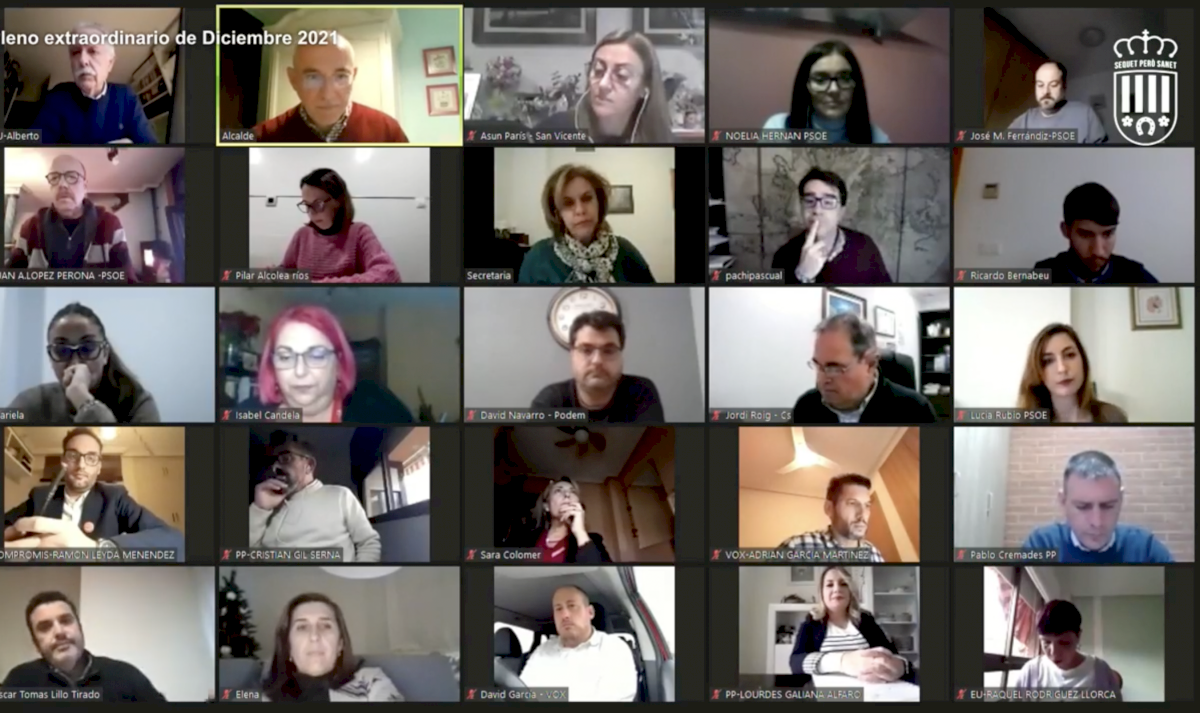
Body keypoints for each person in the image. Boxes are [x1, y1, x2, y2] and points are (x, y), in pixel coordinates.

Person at [3, 428, 184, 557]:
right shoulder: (39, 495)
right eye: (73, 456)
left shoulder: (115, 497)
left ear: (98, 467)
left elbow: (175, 542)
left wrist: (98, 550)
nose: (81, 465)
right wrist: (12, 537)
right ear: (63, 461)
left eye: (91, 458)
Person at [239, 305, 413, 423]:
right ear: (272, 367)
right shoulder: (247, 413)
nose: (300, 371)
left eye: (317, 356)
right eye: (285, 357)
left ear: (338, 363)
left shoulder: (377, 406)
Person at [7, 303, 161, 423]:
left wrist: (82, 399)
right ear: (50, 358)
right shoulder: (32, 401)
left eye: (87, 348)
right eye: (62, 350)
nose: (76, 362)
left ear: (105, 354)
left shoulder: (138, 403)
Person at [1, 591, 166, 700]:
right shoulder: (19, 681)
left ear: (80, 628)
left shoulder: (126, 676)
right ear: (36, 643)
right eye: (45, 627)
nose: (59, 632)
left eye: (66, 621)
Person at [250, 432, 381, 562]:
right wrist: (259, 508)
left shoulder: (341, 495)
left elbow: (368, 543)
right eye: (272, 461)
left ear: (309, 465)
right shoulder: (268, 504)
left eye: (285, 458)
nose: (275, 467)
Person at [1022, 450, 1173, 563]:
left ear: (1121, 500)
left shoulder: (1145, 549)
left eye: (1108, 506)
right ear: (1063, 501)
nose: (1097, 522)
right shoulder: (1042, 544)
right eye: (1082, 507)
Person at [253, 36, 408, 143]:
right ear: (293, 80)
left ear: (353, 76)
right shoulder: (261, 137)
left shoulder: (388, 132)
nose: (328, 95)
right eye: (313, 77)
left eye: (340, 76)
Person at [5, 154, 135, 282]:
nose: (62, 184)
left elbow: (127, 282)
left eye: (72, 177)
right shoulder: (30, 227)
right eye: (54, 178)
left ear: (85, 186)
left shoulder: (110, 225)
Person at [518, 164, 655, 284]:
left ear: (599, 203)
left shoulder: (626, 251)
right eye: (568, 203)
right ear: (557, 213)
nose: (580, 210)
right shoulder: (537, 258)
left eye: (587, 198)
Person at [793, 313, 937, 424]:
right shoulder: (806, 406)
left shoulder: (916, 410)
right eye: (818, 366)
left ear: (870, 364)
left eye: (835, 368)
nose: (822, 379)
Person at [29, 22, 158, 144]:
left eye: (93, 51)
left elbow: (151, 148)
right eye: (75, 52)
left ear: (110, 63)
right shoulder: (57, 96)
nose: (82, 60)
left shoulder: (126, 96)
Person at [537, 30, 675, 144]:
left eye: (621, 75)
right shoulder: (556, 129)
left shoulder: (661, 139)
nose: (603, 84)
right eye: (598, 71)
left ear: (644, 89)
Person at [262, 593, 402, 701]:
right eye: (302, 627)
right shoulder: (260, 696)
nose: (314, 636)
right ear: (288, 646)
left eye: (326, 626)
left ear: (340, 644)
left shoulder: (372, 682)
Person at [789, 567, 914, 686]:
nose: (837, 589)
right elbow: (795, 663)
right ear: (821, 593)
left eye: (843, 584)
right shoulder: (811, 623)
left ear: (850, 591)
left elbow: (893, 654)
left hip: (872, 690)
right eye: (829, 585)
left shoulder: (865, 620)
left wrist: (901, 667)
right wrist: (843, 662)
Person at [532, 311, 665, 423]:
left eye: (608, 351)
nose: (597, 360)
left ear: (621, 355)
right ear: (572, 355)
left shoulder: (640, 393)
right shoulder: (550, 402)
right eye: (586, 350)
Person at [278, 168, 402, 282]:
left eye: (318, 204)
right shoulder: (302, 235)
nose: (312, 213)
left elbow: (389, 274)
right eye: (307, 205)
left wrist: (321, 288)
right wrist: (273, 276)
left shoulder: (359, 233)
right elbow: (288, 273)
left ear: (338, 201)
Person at [772, 168, 891, 284]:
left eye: (828, 202)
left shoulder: (865, 246)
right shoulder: (782, 255)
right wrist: (802, 276)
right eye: (809, 201)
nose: (817, 210)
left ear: (841, 211)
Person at [519, 585, 638, 701]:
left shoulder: (614, 649)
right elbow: (522, 694)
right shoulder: (543, 651)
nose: (565, 615)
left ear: (590, 612)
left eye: (572, 606)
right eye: (558, 609)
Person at [764, 41, 890, 144]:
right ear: (806, 86)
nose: (834, 90)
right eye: (820, 80)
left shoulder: (876, 139)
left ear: (855, 84)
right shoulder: (778, 129)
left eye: (844, 78)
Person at [1034, 183, 1157, 283]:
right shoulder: (1041, 273)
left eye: (1107, 234)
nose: (1098, 251)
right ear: (1065, 230)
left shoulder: (1136, 276)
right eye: (1085, 235)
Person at [1017, 323, 1127, 423]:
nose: (1062, 368)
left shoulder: (1112, 417)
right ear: (1037, 372)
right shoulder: (1025, 422)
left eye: (1070, 355)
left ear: (1083, 361)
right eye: (1048, 361)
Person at [1013, 600, 1123, 697]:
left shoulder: (1100, 671)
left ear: (1078, 636)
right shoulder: (1031, 671)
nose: (1054, 653)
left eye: (1064, 642)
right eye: (1046, 642)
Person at [502, 477, 613, 563]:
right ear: (547, 506)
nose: (567, 495)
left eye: (573, 492)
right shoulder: (523, 539)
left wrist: (580, 532)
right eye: (558, 491)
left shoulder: (593, 540)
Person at [778, 474, 885, 561]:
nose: (862, 514)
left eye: (867, 505)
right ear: (829, 508)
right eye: (852, 503)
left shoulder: (874, 554)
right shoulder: (797, 547)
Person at [1008, 62, 1107, 144]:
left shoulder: (1085, 114)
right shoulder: (1025, 120)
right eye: (1040, 85)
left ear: (1064, 86)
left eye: (1053, 85)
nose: (1045, 91)